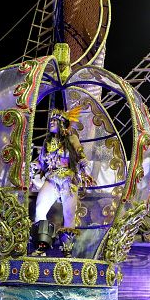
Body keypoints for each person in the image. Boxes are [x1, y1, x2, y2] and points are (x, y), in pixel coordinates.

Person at [30, 107, 94, 255]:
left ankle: (67, 250)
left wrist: (84, 165)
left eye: (55, 120)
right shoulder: (47, 143)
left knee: (69, 215)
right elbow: (42, 162)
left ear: (63, 124)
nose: (51, 122)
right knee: (39, 209)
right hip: (52, 179)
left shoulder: (71, 138)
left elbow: (79, 152)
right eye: (50, 120)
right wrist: (34, 165)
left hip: (68, 181)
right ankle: (42, 245)